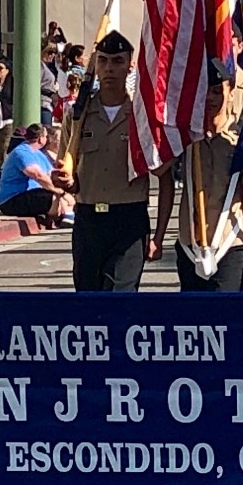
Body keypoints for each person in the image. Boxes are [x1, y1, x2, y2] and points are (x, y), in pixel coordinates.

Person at [53, 31, 154, 291]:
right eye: (103, 61)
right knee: (88, 300)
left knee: (119, 299)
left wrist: (160, 233)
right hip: (89, 219)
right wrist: (64, 180)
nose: (109, 68)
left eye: (118, 61)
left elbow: (162, 174)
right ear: (95, 65)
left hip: (128, 218)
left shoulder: (141, 116)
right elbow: (68, 172)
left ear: (130, 66)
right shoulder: (77, 116)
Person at [155, 59, 243, 292]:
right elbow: (159, 171)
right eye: (204, 92)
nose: (211, 99)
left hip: (230, 244)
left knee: (226, 322)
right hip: (190, 244)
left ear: (230, 91)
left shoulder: (241, 141)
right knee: (192, 325)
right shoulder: (185, 139)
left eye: (217, 91)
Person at [0, 123, 72, 227]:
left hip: (32, 194)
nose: (47, 139)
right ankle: (65, 216)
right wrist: (61, 193)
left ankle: (64, 215)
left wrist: (66, 187)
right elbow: (38, 175)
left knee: (66, 192)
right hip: (11, 200)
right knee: (52, 197)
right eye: (46, 136)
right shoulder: (22, 152)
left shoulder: (40, 154)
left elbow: (51, 175)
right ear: (41, 139)